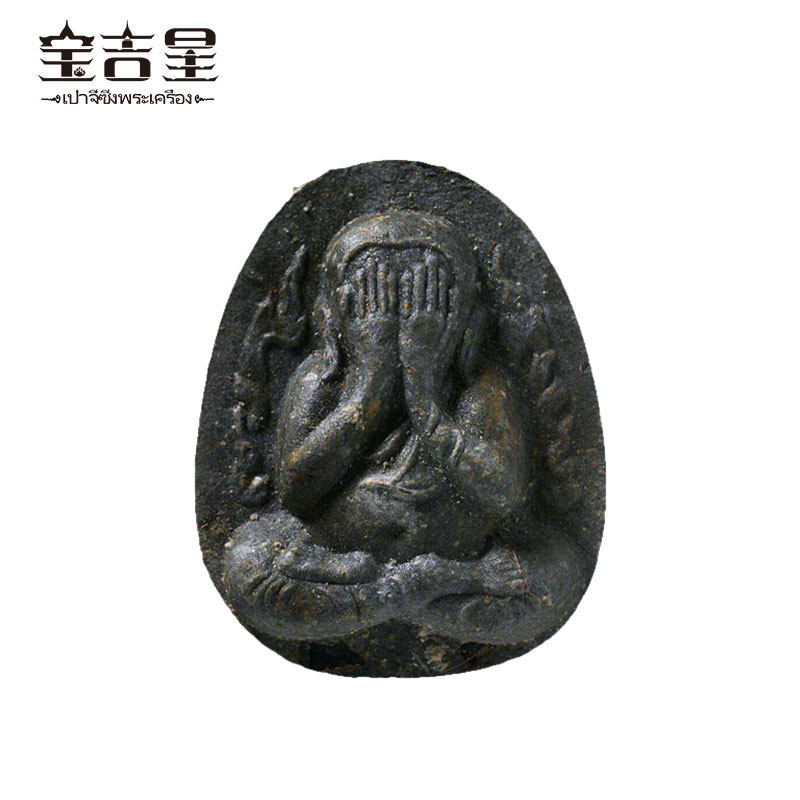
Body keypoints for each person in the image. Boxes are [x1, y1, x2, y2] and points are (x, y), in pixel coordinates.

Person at [223, 212, 587, 645]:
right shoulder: (321, 381)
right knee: (247, 565)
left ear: (464, 316)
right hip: (347, 562)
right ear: (336, 314)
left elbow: (504, 494)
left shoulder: (477, 386)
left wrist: (425, 399)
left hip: (446, 559)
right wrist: (369, 389)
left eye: (426, 300)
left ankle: (382, 600)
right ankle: (418, 590)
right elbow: (295, 494)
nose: (399, 323)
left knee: (559, 575)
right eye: (372, 301)